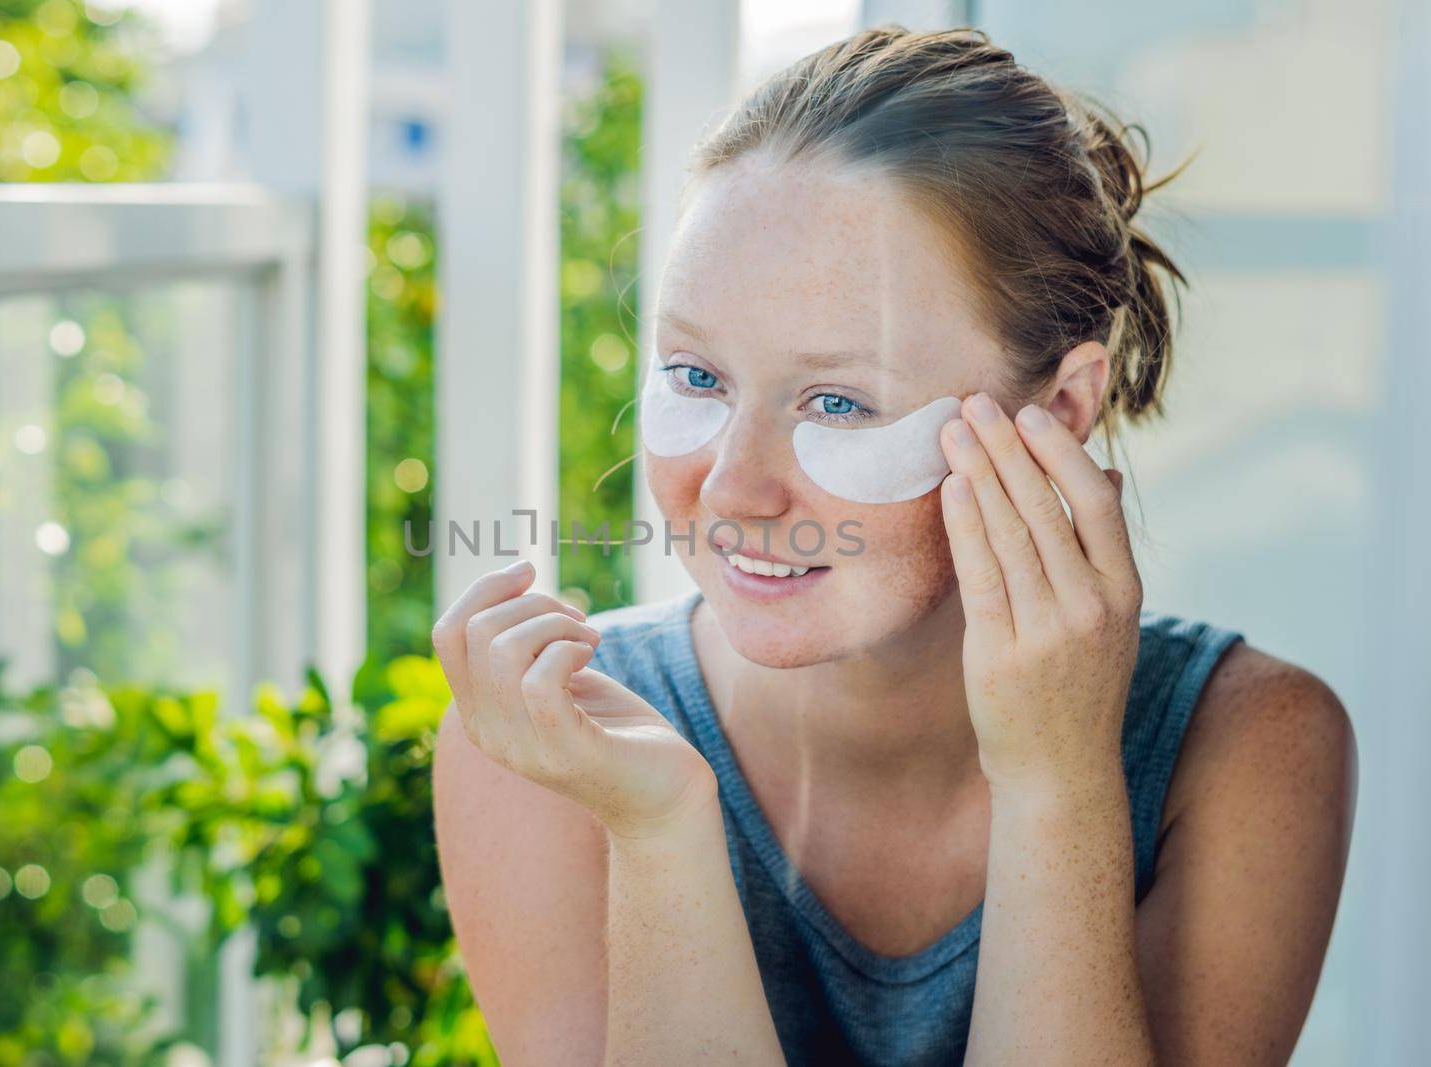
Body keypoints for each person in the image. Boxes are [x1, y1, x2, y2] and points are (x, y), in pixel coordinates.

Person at [431, 25, 1356, 1067]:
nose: (732, 486)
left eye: (838, 400)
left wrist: (1056, 779)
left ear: (1055, 408)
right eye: (697, 376)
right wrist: (659, 832)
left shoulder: (1246, 746)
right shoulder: (546, 746)